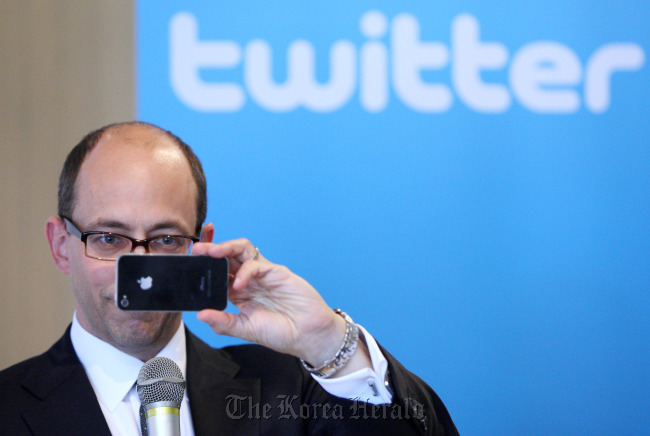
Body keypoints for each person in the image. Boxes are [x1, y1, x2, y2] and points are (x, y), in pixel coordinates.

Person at [0, 122, 458, 435]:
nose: (138, 272)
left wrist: (325, 342)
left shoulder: (287, 390)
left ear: (200, 246)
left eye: (164, 240)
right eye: (108, 238)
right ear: (62, 246)